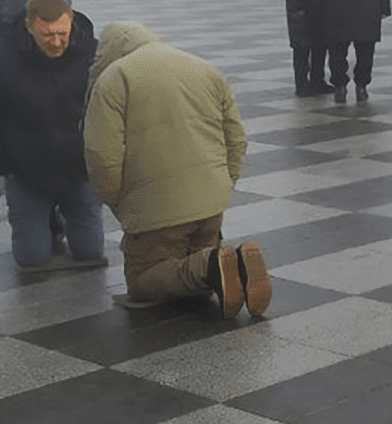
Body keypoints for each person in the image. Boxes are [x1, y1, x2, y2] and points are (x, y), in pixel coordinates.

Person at [84, 22, 270, 316]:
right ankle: (229, 263)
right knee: (194, 267)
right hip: (211, 201)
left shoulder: (114, 79)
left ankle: (214, 265)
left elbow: (101, 155)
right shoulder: (203, 67)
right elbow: (236, 137)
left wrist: (115, 198)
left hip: (154, 209)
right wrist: (224, 183)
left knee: (143, 280)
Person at [0, 0, 104, 272]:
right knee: (32, 259)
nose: (57, 42)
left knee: (90, 253)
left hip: (78, 169)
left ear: (71, 23)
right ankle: (45, 222)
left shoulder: (93, 53)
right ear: (29, 27)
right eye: (47, 35)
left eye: (62, 34)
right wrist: (2, 161)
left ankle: (59, 218)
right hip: (26, 171)